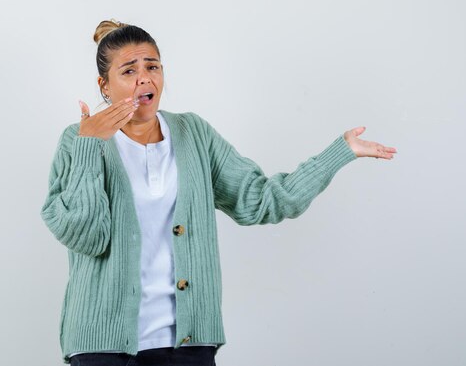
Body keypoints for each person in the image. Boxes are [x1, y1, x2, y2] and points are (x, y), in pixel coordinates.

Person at [40, 19, 396, 366]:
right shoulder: (78, 140)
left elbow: (261, 201)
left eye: (153, 66)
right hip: (102, 347)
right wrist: (90, 143)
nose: (145, 78)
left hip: (188, 346)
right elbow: (85, 235)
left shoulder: (193, 134)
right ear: (105, 86)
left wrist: (339, 152)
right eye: (129, 71)